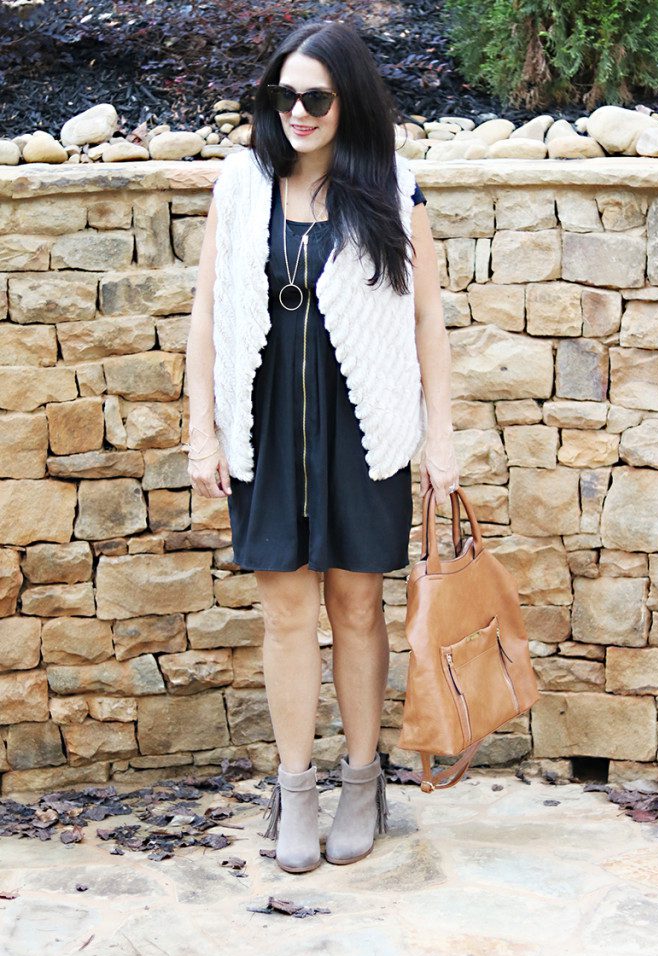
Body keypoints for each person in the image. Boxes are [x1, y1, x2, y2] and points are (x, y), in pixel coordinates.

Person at [184, 19, 460, 873]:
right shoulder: (239, 186)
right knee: (286, 611)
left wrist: (439, 438)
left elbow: (426, 324)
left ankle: (359, 782)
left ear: (350, 103)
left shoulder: (392, 187)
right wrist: (202, 429)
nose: (297, 113)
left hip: (360, 424)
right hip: (266, 425)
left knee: (355, 607)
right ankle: (294, 787)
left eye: (316, 98)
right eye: (283, 96)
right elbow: (206, 314)